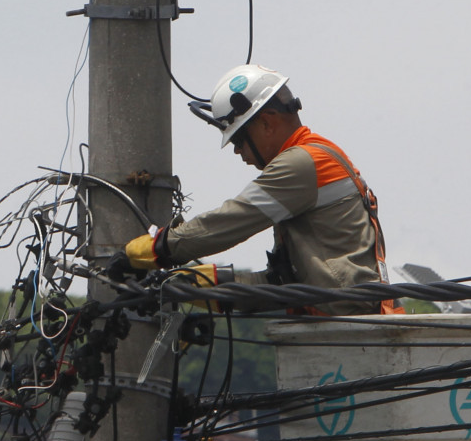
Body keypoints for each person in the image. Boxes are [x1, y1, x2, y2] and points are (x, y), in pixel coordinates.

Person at [121, 64, 400, 317]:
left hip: (352, 326)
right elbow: (281, 285)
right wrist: (185, 284)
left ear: (267, 122)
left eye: (239, 139)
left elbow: (229, 222)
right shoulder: (312, 160)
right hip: (344, 320)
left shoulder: (301, 163)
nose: (238, 151)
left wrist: (153, 250)